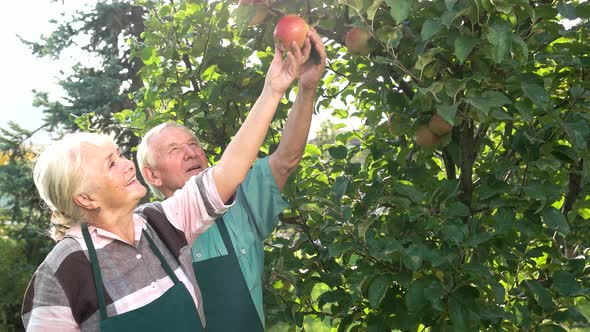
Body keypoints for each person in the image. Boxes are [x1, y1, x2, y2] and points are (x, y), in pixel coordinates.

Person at [20, 39, 308, 331]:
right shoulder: (61, 274)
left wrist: (274, 89)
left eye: (120, 156)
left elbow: (230, 170)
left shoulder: (161, 224)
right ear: (86, 198)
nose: (128, 164)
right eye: (111, 163)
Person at [136, 29, 326, 331]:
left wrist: (306, 88)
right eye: (175, 150)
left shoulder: (240, 204)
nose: (191, 153)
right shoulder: (142, 234)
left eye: (194, 144)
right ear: (152, 175)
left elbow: (286, 159)